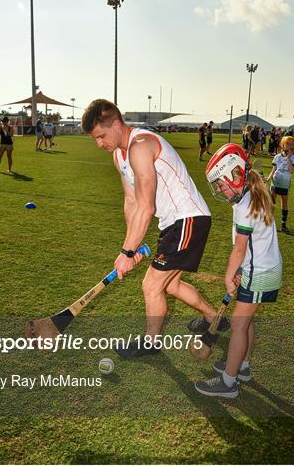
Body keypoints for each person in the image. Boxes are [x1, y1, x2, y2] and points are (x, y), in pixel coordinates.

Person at [81, 99, 228, 359]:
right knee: (170, 286)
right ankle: (214, 318)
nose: (99, 143)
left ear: (116, 124)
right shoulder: (119, 155)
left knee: (151, 285)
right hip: (174, 222)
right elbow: (132, 202)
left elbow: (146, 207)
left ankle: (151, 343)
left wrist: (126, 253)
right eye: (95, 139)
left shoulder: (141, 145)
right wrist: (131, 248)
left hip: (188, 218)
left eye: (101, 136)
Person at [195, 143, 282, 398]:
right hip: (261, 268)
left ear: (236, 174)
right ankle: (241, 366)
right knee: (247, 321)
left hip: (260, 272)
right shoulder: (252, 194)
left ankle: (229, 382)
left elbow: (239, 250)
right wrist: (241, 270)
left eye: (221, 184)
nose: (220, 190)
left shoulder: (245, 206)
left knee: (238, 324)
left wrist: (228, 276)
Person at [267, 136, 294, 232]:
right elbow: (274, 170)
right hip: (275, 182)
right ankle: (269, 223)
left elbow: (291, 170)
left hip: (284, 184)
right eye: (288, 144)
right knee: (272, 202)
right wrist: (268, 178)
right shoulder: (277, 157)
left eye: (292, 144)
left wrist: (288, 158)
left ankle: (283, 225)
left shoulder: (293, 158)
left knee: (284, 203)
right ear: (283, 145)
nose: (290, 146)